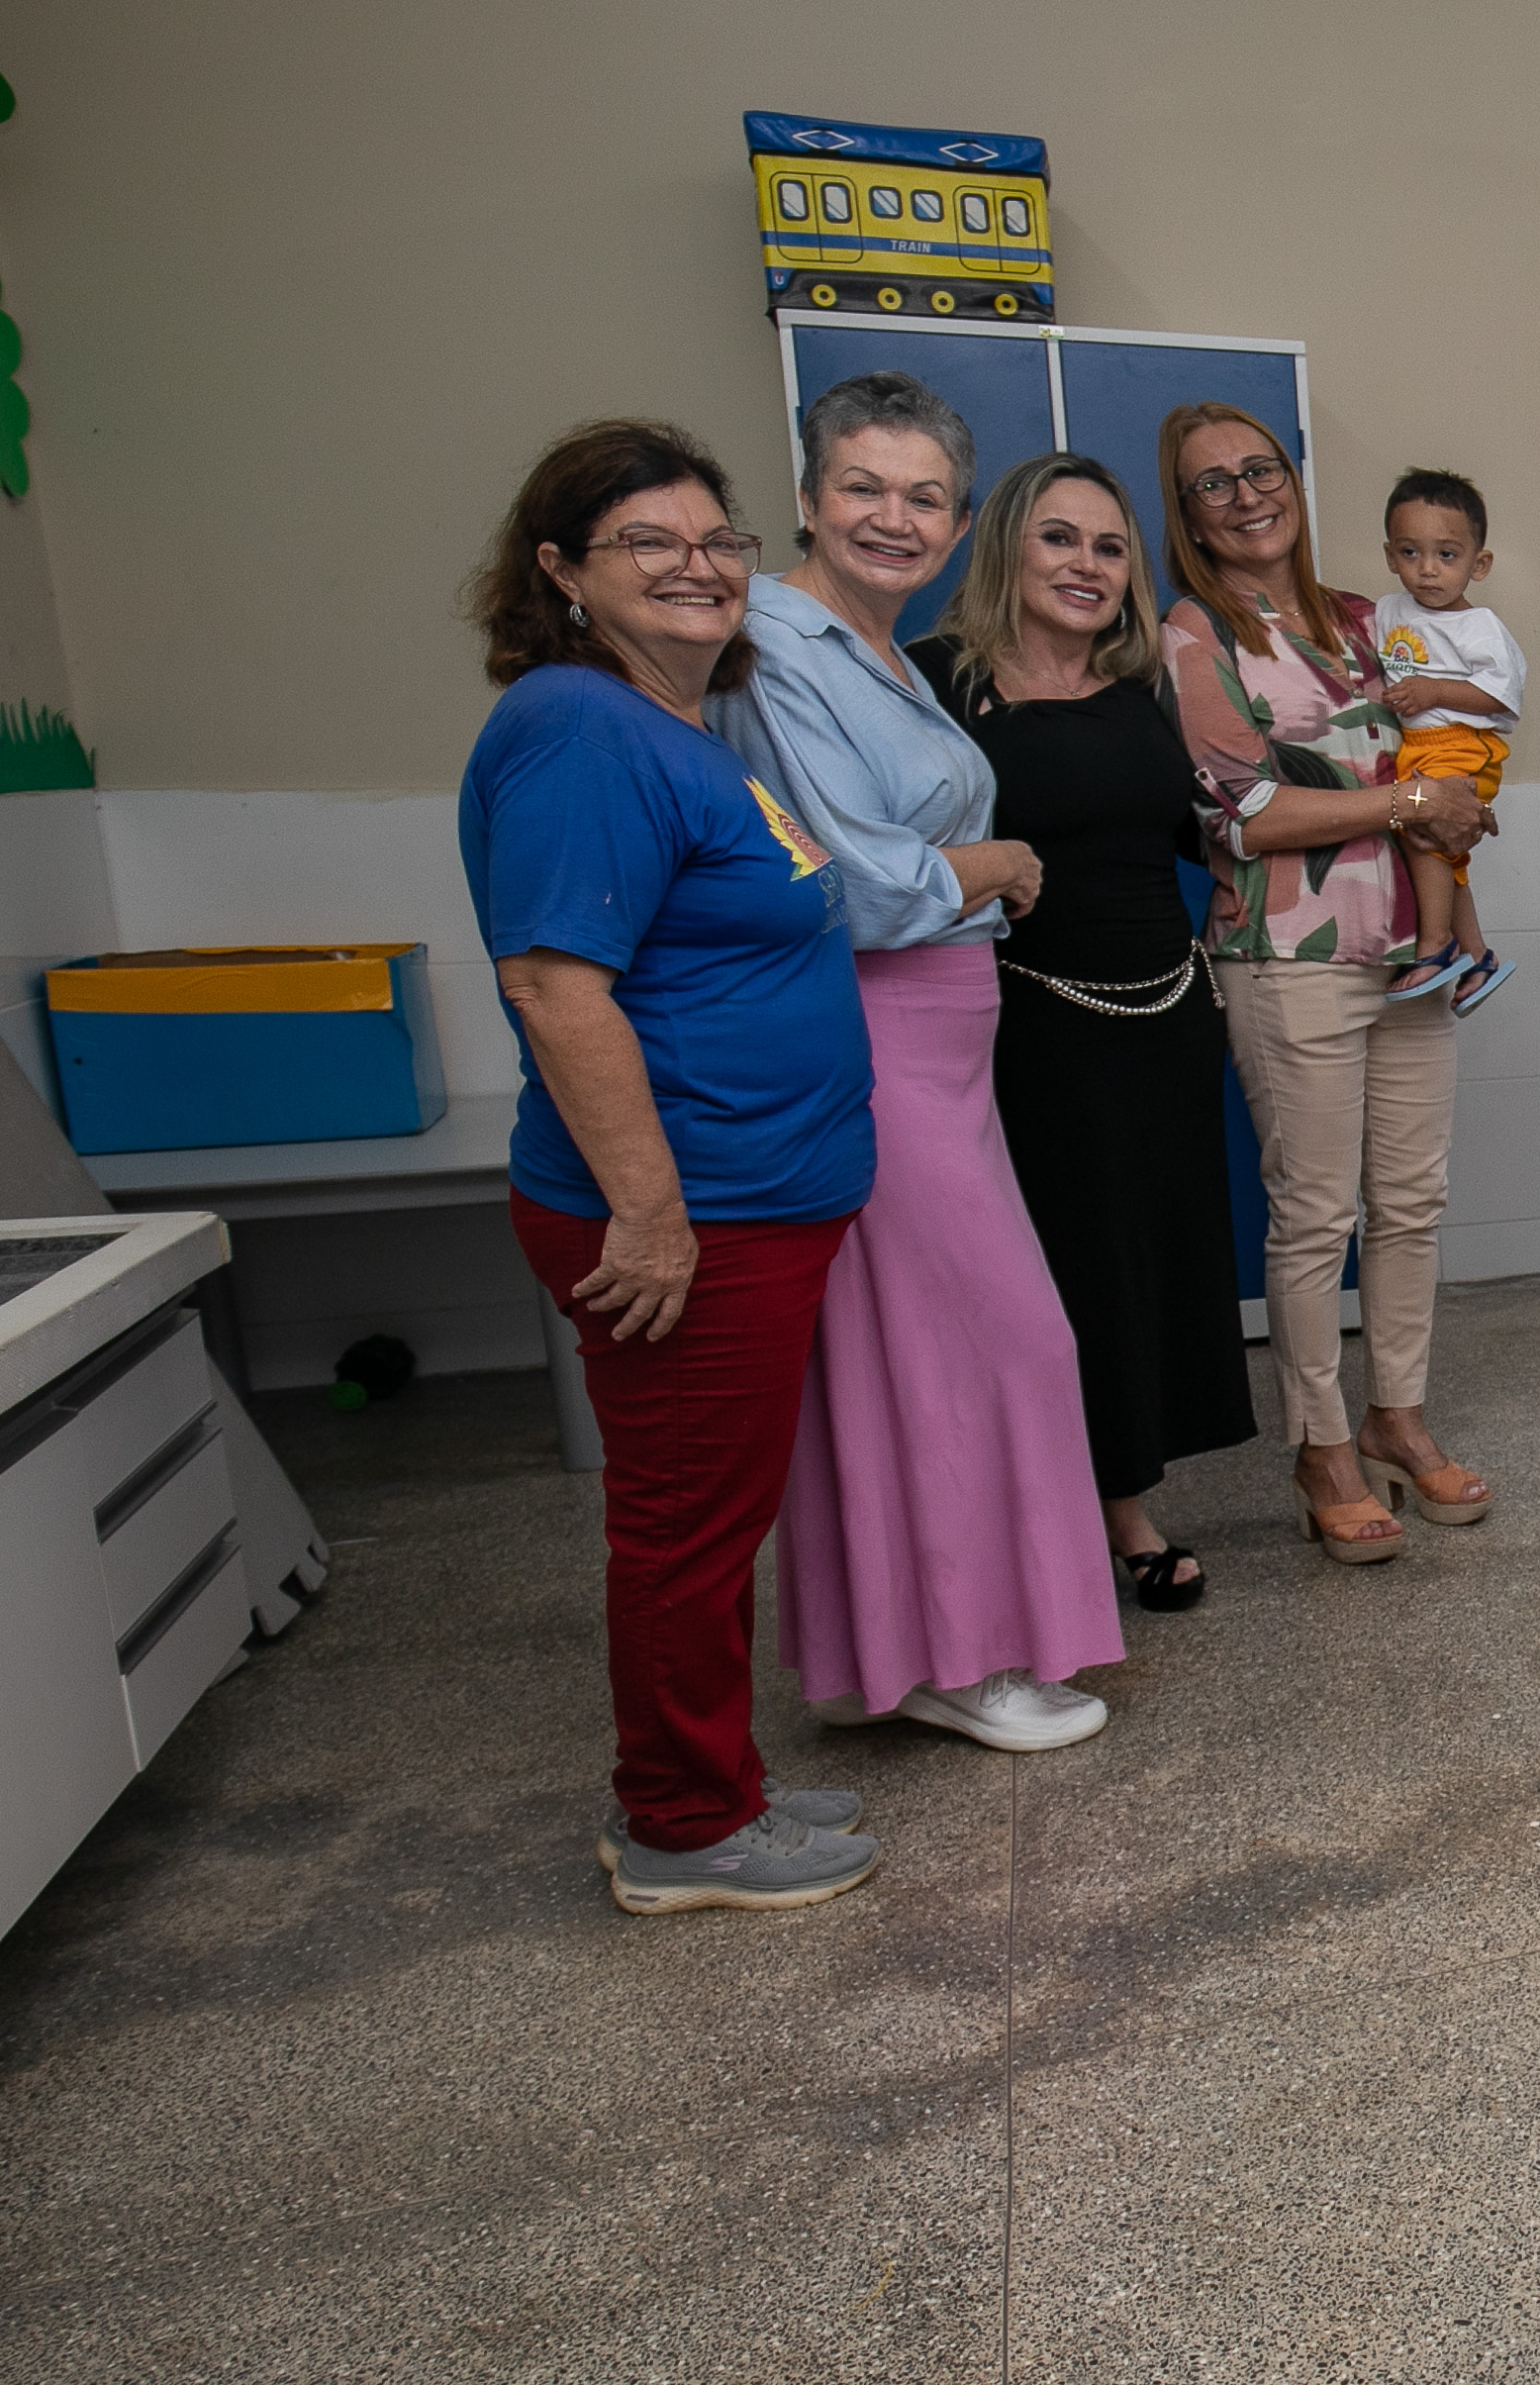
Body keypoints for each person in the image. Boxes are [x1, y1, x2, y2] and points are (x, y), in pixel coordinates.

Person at [459, 417, 881, 1915]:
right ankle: (685, 1827)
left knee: (706, 1514)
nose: (696, 567)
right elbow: (553, 984)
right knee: (685, 1529)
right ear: (562, 572)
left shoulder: (670, 729)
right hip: (687, 1215)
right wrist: (649, 1214)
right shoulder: (580, 729)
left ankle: (712, 1780)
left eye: (717, 540)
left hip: (750, 1203)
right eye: (648, 541)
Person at [715, 370, 1123, 1754]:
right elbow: (854, 885)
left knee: (915, 1351)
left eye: (925, 497)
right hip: (874, 1033)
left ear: (958, 522)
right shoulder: (775, 648)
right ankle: (969, 1654)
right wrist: (996, 865)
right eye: (864, 488)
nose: (894, 518)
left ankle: (909, 1650)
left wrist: (966, 872)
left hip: (946, 1040)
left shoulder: (883, 652)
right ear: (807, 495)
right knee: (1002, 1342)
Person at [911, 450, 1257, 1612]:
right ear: (1004, 545)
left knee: (1150, 1270)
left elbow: (1203, 825)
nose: (1087, 565)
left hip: (1164, 1019)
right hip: (1030, 1032)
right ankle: (1045, 1519)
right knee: (1057, 1280)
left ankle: (1122, 1501)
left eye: (1110, 547)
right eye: (1059, 538)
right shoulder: (933, 683)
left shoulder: (1144, 684)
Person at [1161, 399, 1497, 1563]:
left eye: (1260, 469)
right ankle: (1320, 1447)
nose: (1245, 495)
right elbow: (1245, 813)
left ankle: (1395, 1414)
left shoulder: (1369, 618)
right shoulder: (1193, 633)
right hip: (1287, 954)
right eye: (1213, 483)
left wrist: (1462, 902)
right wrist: (1410, 803)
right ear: (1187, 514)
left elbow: (1442, 765)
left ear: (1293, 480)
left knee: (1411, 1200)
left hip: (1411, 952)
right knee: (1315, 1216)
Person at [1367, 466, 1526, 1014]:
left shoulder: (1479, 627)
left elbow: (1501, 697)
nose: (1428, 569)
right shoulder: (1387, 610)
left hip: (1462, 744)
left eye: (1447, 555)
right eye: (1410, 553)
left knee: (1425, 833)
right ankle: (1477, 956)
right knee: (1439, 851)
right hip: (1415, 746)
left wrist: (1434, 689)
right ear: (1391, 556)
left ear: (1478, 564)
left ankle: (1435, 946)